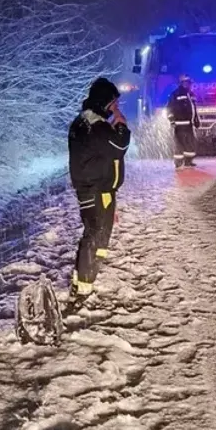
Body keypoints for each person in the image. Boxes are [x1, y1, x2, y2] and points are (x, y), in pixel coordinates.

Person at [67, 77, 130, 304]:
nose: (116, 107)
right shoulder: (95, 124)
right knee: (95, 234)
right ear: (105, 102)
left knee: (97, 234)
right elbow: (119, 145)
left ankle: (85, 278)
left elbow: (103, 147)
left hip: (95, 189)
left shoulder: (87, 122)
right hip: (96, 189)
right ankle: (84, 288)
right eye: (114, 103)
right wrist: (121, 123)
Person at [166, 74, 200, 168]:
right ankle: (178, 163)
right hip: (179, 124)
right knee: (179, 144)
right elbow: (169, 108)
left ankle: (188, 161)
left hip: (189, 124)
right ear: (181, 83)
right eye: (185, 82)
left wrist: (196, 119)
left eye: (188, 82)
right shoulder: (175, 94)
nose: (187, 84)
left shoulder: (191, 94)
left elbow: (193, 109)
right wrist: (172, 120)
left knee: (189, 143)